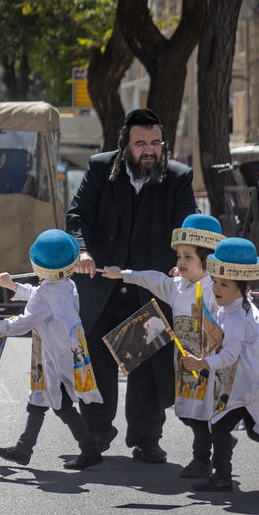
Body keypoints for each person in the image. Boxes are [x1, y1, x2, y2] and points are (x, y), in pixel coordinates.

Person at [65, 108, 196, 462]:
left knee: (146, 365)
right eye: (141, 144)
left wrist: (182, 262)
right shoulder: (100, 168)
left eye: (156, 143)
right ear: (125, 144)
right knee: (97, 362)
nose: (149, 150)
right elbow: (77, 216)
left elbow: (187, 226)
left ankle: (146, 439)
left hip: (147, 288)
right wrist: (82, 250)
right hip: (102, 287)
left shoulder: (178, 176)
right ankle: (97, 433)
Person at [101, 213, 224, 478]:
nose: (180, 263)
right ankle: (219, 441)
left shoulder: (218, 290)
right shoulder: (177, 287)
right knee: (188, 412)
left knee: (202, 412)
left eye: (188, 257)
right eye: (178, 256)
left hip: (212, 363)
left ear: (209, 260)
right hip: (185, 364)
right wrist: (122, 274)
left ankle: (202, 460)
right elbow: (152, 279)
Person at [180, 238, 259, 492]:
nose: (216, 289)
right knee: (255, 430)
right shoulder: (234, 306)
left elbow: (229, 356)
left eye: (224, 284)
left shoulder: (236, 315)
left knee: (220, 426)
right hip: (250, 378)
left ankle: (223, 477)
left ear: (244, 288)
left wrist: (201, 362)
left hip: (246, 381)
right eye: (215, 281)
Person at [0, 229, 104, 470]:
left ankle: (89, 450)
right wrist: (12, 285)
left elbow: (23, 322)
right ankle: (23, 449)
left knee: (61, 406)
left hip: (54, 358)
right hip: (65, 353)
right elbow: (39, 295)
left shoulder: (46, 294)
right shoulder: (68, 285)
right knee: (39, 399)